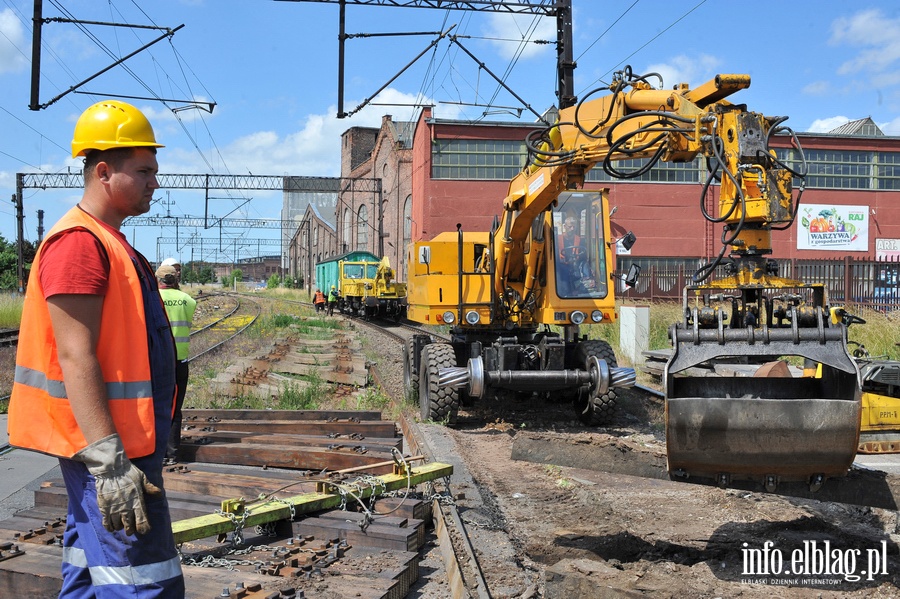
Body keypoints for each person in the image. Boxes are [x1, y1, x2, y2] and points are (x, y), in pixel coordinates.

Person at [8, 100, 185, 596]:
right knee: (143, 581)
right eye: (145, 171)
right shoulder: (80, 245)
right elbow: (75, 355)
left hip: (125, 440)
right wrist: (109, 460)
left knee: (90, 566)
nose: (156, 182)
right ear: (104, 171)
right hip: (110, 448)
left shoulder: (112, 243)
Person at [157, 262, 197, 464]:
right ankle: (172, 453)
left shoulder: (152, 299)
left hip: (157, 360)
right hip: (180, 360)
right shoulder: (187, 300)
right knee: (175, 407)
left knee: (156, 405)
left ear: (159, 279)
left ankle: (157, 452)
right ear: (176, 279)